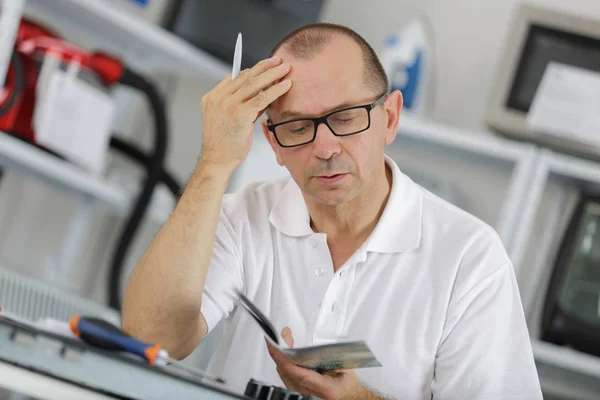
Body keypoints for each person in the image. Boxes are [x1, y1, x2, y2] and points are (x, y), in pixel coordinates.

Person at [122, 22, 543, 400]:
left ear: (390, 118)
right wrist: (214, 162)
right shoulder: (243, 216)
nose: (324, 148)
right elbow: (150, 338)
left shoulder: (470, 258)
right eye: (298, 127)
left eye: (344, 118)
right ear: (273, 143)